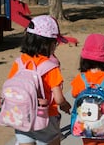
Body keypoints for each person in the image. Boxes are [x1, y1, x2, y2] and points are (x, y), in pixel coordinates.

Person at [7, 15, 72, 145]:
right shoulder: (50, 67)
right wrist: (65, 105)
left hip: (21, 114)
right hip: (46, 116)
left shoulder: (19, 62)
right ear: (48, 44)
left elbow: (10, 86)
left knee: (24, 141)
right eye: (55, 43)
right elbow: (58, 99)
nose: (56, 46)